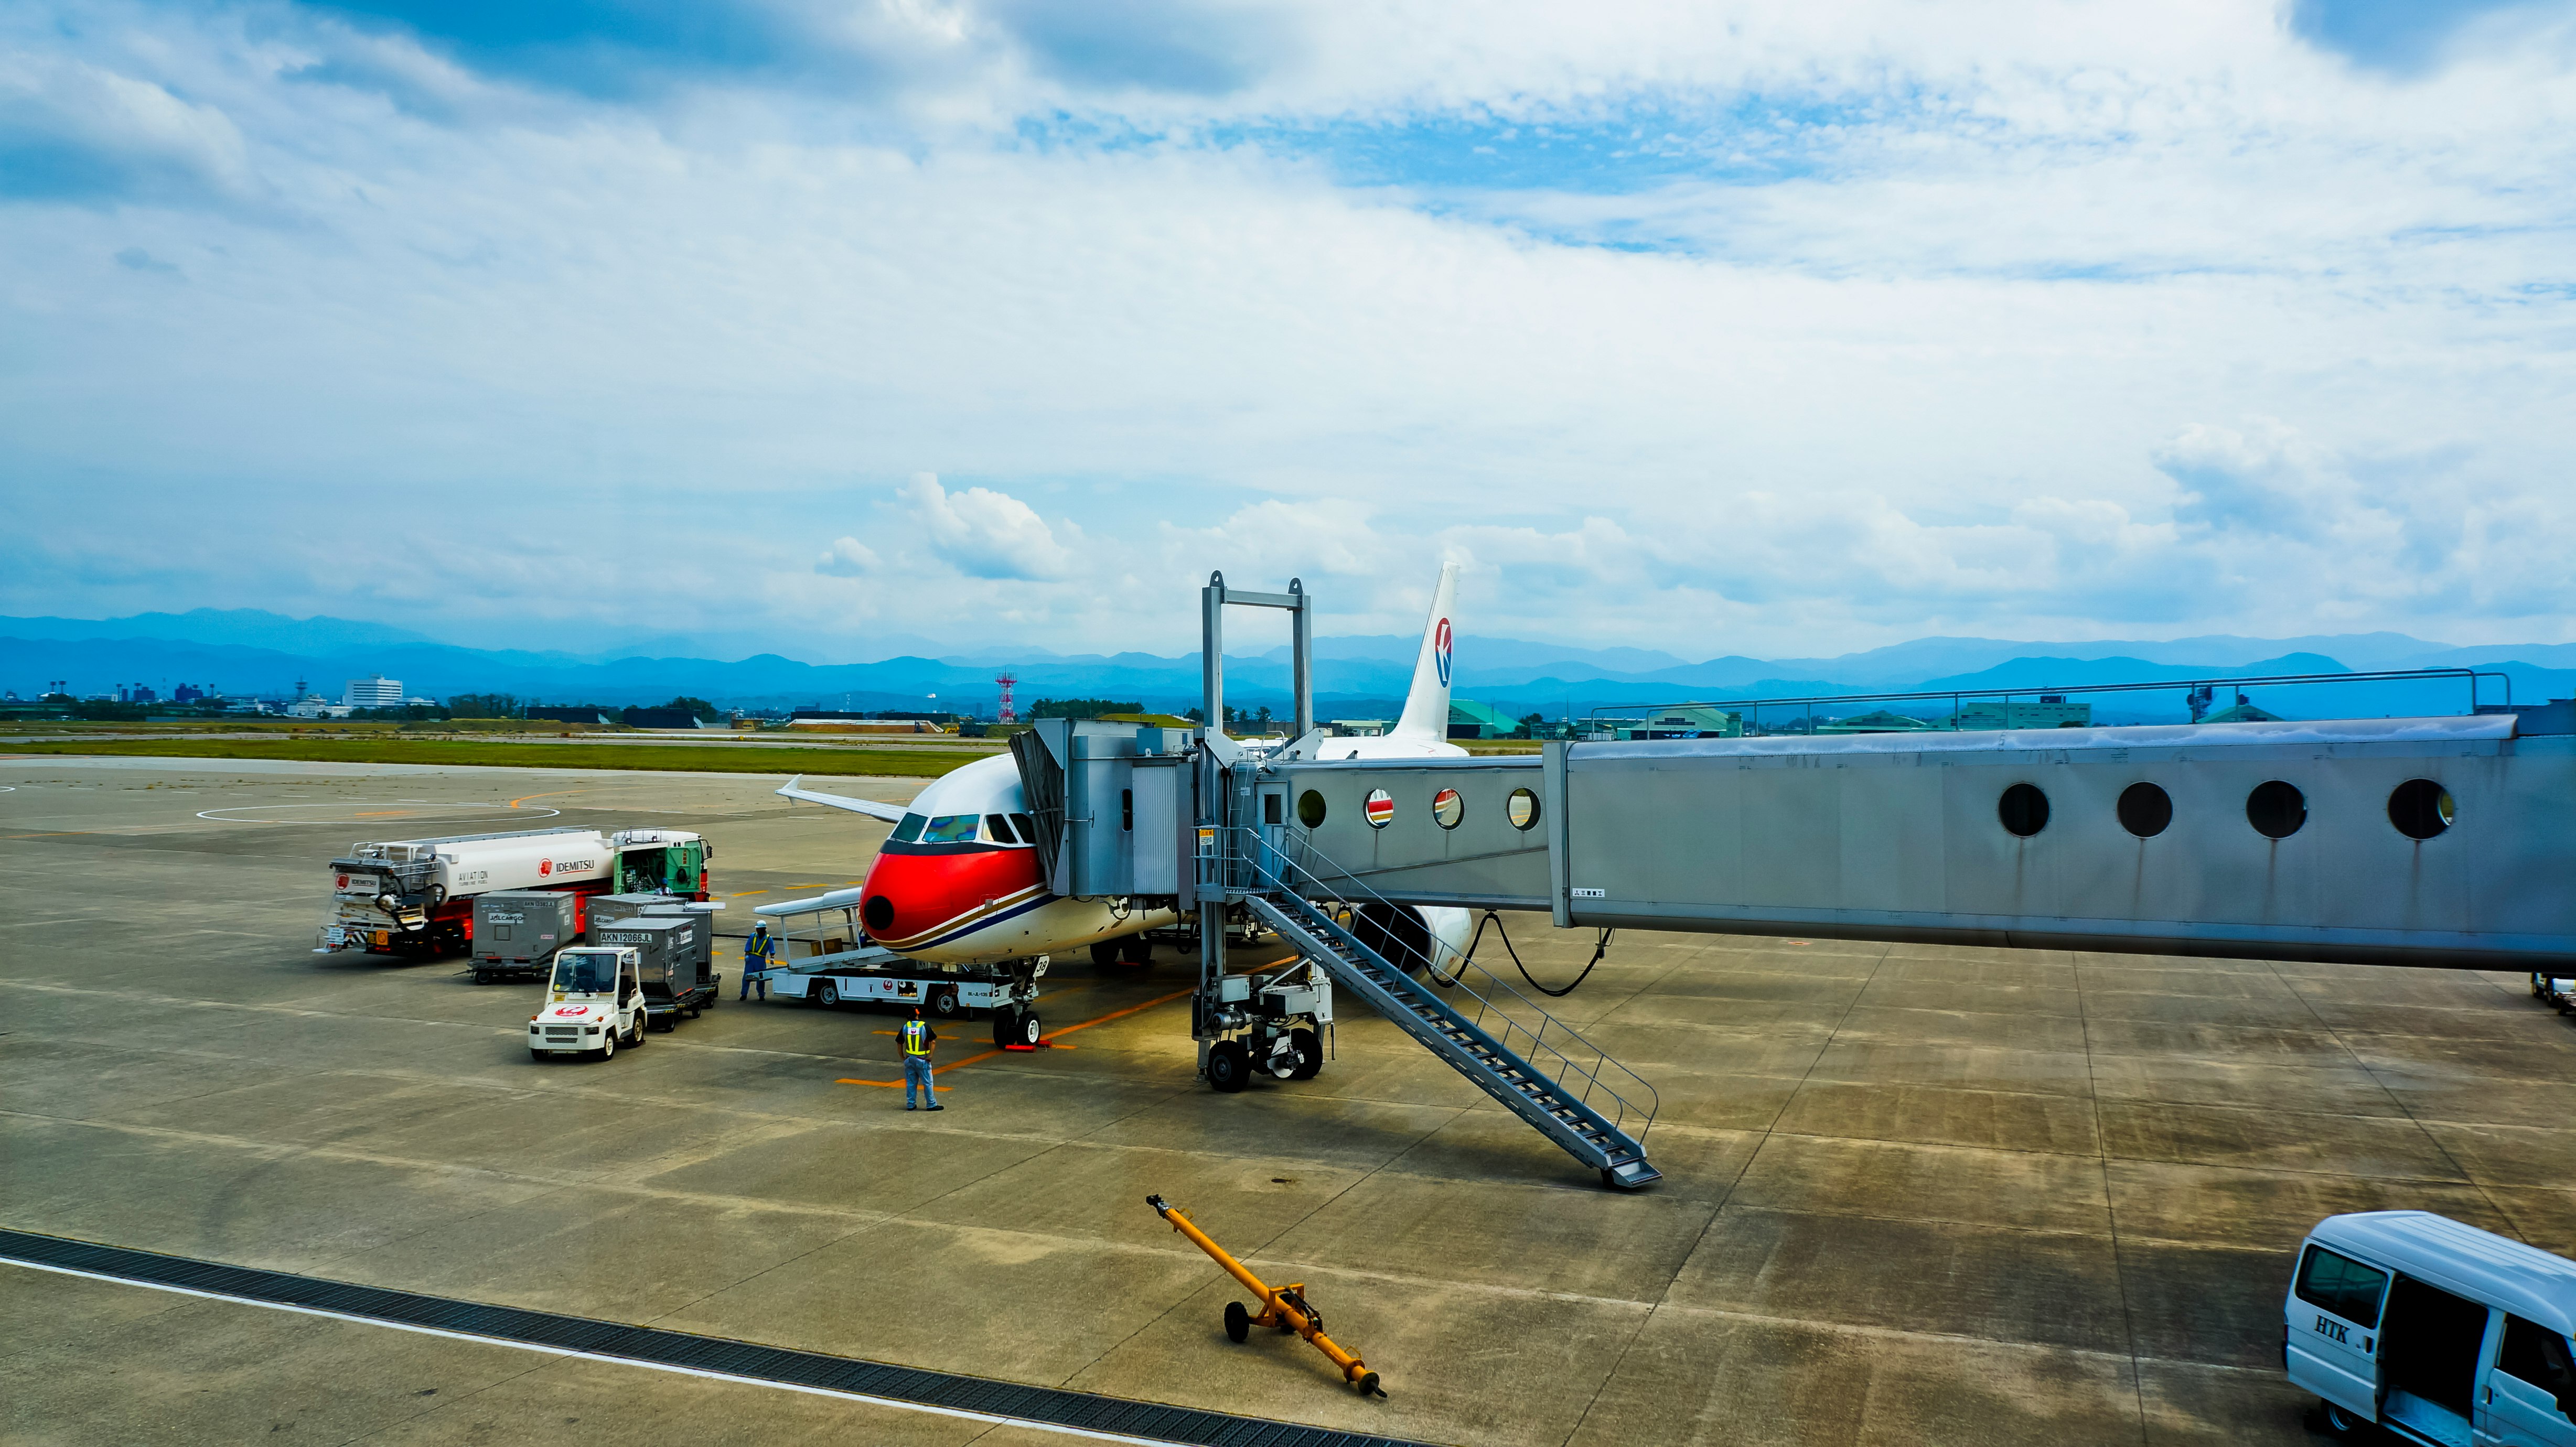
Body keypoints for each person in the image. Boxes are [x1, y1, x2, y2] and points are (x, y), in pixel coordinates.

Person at [901, 1007, 941, 1110]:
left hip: (909, 1060)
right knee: (928, 1083)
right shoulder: (924, 1026)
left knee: (911, 1083)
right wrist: (930, 1056)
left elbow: (899, 1043)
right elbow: (933, 1042)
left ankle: (911, 1104)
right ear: (917, 1013)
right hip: (922, 1060)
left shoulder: (906, 1027)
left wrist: (902, 1057)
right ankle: (931, 1104)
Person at [739, 922, 777, 1001]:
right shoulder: (753, 936)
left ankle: (761, 995)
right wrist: (746, 954)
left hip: (760, 960)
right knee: (746, 977)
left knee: (760, 978)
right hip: (751, 959)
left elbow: (772, 948)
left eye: (758, 928)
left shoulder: (769, 938)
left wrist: (772, 957)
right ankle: (744, 994)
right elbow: (748, 945)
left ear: (764, 929)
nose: (757, 930)